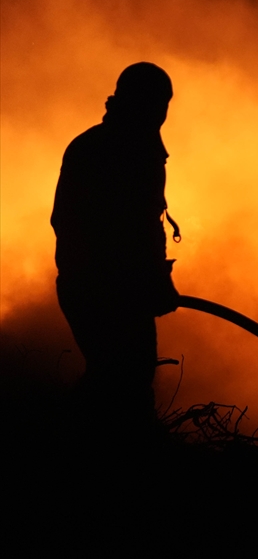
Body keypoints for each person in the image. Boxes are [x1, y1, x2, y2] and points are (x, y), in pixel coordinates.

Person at [52, 62, 180, 419]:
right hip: (110, 291)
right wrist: (152, 281)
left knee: (112, 379)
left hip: (85, 286)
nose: (162, 113)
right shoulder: (132, 152)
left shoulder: (95, 143)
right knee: (126, 383)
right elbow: (135, 226)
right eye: (158, 103)